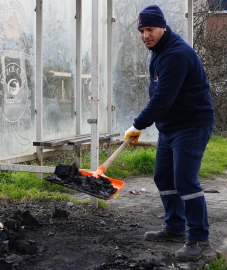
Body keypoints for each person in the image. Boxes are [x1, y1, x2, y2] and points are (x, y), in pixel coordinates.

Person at [124, 5, 215, 261]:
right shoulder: (159, 50)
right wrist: (149, 122)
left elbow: (163, 99)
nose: (145, 35)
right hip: (171, 126)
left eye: (150, 29)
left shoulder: (177, 54)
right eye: (141, 30)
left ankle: (199, 237)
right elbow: (159, 93)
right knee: (164, 178)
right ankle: (175, 227)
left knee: (185, 180)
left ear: (163, 27)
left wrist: (137, 124)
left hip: (192, 125)